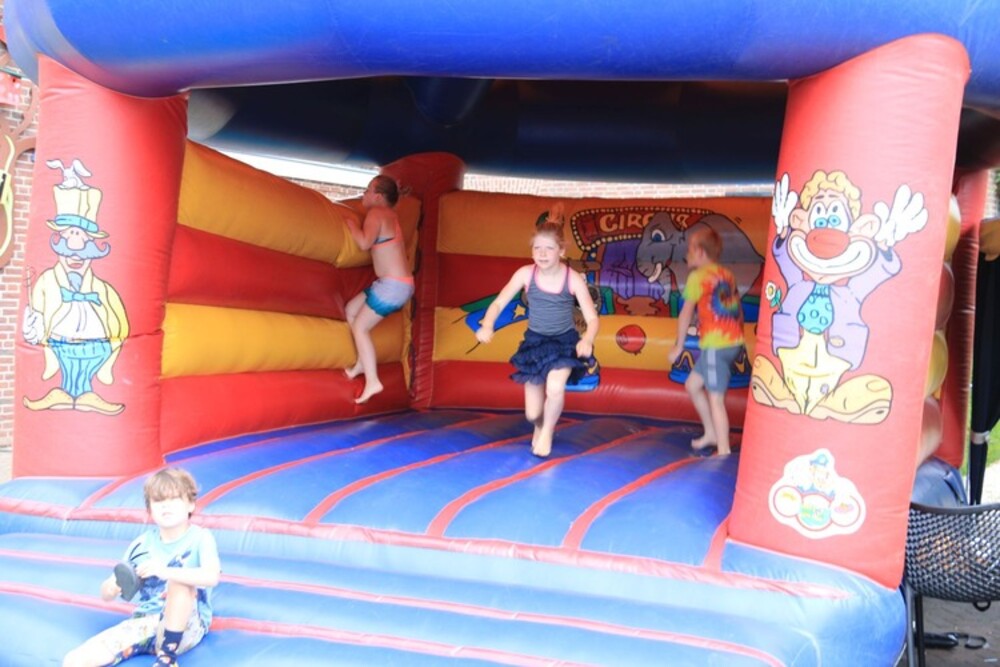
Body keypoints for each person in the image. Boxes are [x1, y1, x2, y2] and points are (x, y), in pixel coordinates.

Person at [63, 468, 221, 667]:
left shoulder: (200, 538)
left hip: (186, 627)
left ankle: (166, 659)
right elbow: (107, 592)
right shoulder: (141, 545)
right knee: (74, 660)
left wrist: (164, 571)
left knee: (179, 582)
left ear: (190, 504)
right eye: (158, 501)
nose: (166, 506)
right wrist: (112, 588)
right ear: (150, 509)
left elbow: (211, 576)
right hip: (146, 622)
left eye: (173, 499)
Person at [476, 204, 599, 457]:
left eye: (549, 248)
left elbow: (592, 317)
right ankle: (541, 424)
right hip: (535, 344)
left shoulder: (572, 279)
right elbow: (499, 302)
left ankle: (547, 433)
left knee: (555, 388)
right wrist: (488, 324)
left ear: (561, 251)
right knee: (532, 414)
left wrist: (587, 338)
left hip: (564, 343)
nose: (542, 254)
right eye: (537, 248)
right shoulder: (525, 274)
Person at [667, 227, 745, 456]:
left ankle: (723, 449)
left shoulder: (698, 277)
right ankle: (711, 433)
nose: (687, 254)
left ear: (700, 252)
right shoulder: (726, 274)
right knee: (692, 385)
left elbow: (685, 313)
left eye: (689, 250)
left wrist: (679, 346)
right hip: (732, 343)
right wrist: (738, 335)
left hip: (716, 345)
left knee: (716, 399)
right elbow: (738, 309)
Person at [343, 175, 414, 404]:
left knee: (360, 327)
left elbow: (364, 242)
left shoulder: (376, 213)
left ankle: (373, 381)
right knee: (351, 310)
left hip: (393, 285)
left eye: (368, 190)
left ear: (379, 196)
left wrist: (351, 225)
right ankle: (362, 363)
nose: (364, 194)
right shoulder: (390, 215)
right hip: (394, 284)